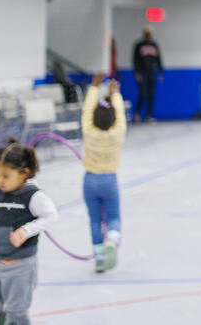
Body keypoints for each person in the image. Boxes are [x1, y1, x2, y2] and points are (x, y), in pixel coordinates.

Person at [0, 138, 58, 325]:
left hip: (20, 267)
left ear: (24, 174)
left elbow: (51, 216)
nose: (0, 181)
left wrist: (27, 231)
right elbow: (0, 222)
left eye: (6, 176)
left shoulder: (33, 196)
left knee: (16, 312)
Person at [81, 78, 126, 273]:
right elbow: (121, 115)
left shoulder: (89, 132)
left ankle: (99, 256)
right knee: (113, 217)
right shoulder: (118, 133)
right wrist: (115, 93)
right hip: (109, 179)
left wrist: (93, 87)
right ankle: (113, 239)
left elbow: (86, 110)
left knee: (94, 219)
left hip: (90, 180)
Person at [131, 28, 163, 122]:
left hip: (151, 72)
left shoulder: (154, 45)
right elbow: (135, 60)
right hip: (142, 72)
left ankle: (148, 115)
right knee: (143, 93)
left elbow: (158, 59)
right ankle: (137, 113)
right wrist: (137, 73)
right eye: (147, 34)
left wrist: (161, 71)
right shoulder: (139, 45)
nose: (148, 36)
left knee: (151, 94)